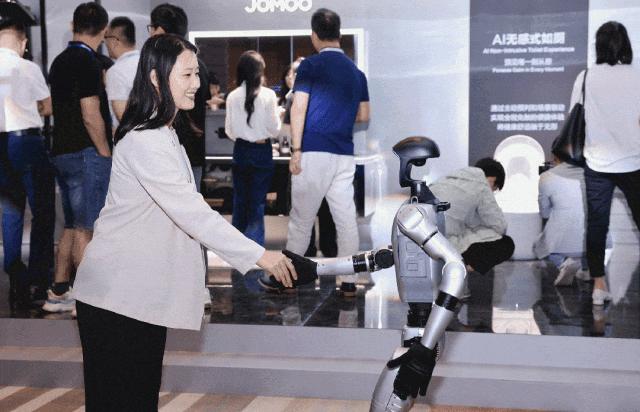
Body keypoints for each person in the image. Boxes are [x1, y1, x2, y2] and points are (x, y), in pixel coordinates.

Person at [71, 34, 297, 410]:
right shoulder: (145, 139)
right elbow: (192, 213)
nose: (196, 83)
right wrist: (261, 255)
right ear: (156, 78)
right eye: (187, 74)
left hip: (136, 294)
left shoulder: (164, 133)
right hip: (115, 296)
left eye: (197, 73)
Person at [286, 8, 370, 297]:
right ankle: (348, 281)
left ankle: (289, 278)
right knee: (345, 220)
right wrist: (338, 117)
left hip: (312, 151)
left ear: (314, 35)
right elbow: (364, 114)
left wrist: (296, 149)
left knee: (301, 220)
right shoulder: (356, 73)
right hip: (344, 152)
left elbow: (298, 107)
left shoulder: (310, 66)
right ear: (339, 34)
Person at [44, 3, 112, 314]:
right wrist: (104, 150)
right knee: (87, 227)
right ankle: (87, 301)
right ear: (104, 30)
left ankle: (59, 290)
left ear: (73, 25)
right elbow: (90, 113)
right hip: (86, 153)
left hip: (61, 151)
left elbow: (51, 107)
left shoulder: (59, 61)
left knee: (72, 225)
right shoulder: (88, 62)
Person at [569, 21, 640, 305]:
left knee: (597, 224)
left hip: (597, 162)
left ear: (598, 45)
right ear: (625, 44)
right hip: (633, 160)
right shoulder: (636, 76)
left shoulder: (586, 77)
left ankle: (599, 285)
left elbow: (575, 114)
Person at [0, 17, 55, 310]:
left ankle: (15, 273)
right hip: (28, 143)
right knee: (42, 211)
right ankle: (38, 278)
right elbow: (47, 106)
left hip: (1, 145)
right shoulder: (28, 67)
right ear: (22, 42)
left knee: (11, 212)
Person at [148, 3, 210, 192]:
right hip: (188, 150)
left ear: (159, 30)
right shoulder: (199, 65)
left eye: (193, 75)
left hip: (182, 149)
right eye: (187, 75)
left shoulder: (167, 65)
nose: (194, 83)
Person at [225, 51, 281, 246]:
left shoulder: (232, 96)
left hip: (240, 150)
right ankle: (255, 252)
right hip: (261, 151)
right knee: (257, 204)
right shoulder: (268, 95)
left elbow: (229, 131)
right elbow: (274, 129)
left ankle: (236, 249)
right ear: (260, 71)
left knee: (239, 202)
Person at [430, 158, 515, 285]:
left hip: (424, 238)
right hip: (446, 244)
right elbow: (499, 225)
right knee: (506, 244)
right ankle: (460, 269)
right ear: (492, 179)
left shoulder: (445, 179)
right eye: (495, 188)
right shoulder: (481, 185)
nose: (492, 191)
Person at [534, 145, 589, 286]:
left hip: (563, 235)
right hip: (592, 235)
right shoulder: (588, 173)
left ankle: (564, 264)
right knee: (587, 245)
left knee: (540, 245)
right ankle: (586, 269)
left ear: (556, 158)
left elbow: (544, 212)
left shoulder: (547, 177)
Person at [104, 16, 140, 128]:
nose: (105, 42)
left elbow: (123, 117)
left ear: (114, 41)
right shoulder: (148, 62)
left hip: (131, 136)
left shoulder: (116, 72)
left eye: (106, 37)